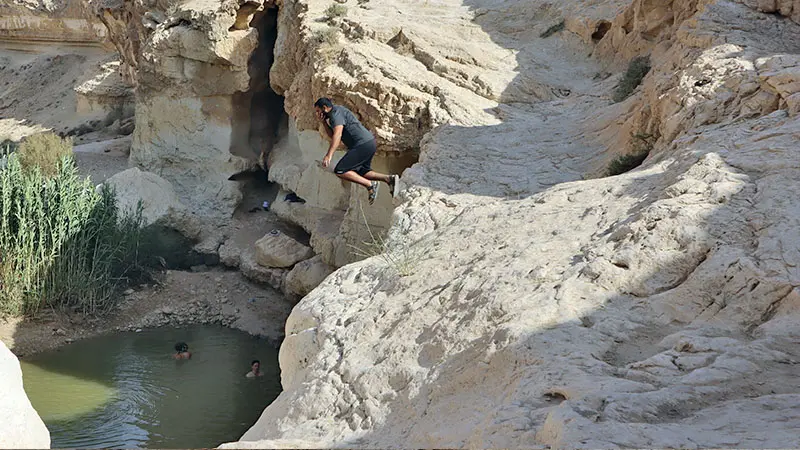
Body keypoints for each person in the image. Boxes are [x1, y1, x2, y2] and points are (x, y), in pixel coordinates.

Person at [314, 97, 398, 205]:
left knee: (340, 170)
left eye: (317, 111)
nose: (317, 114)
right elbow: (331, 135)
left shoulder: (335, 114)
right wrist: (323, 123)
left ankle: (370, 185)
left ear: (324, 108)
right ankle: (389, 179)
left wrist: (329, 155)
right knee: (363, 172)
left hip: (362, 144)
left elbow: (337, 135)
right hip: (369, 143)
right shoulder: (335, 113)